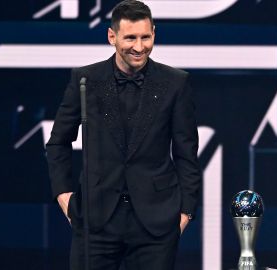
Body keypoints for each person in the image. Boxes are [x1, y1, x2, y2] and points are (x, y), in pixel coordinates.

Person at [45, 1, 202, 269]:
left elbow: (187, 152)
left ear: (154, 33)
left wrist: (186, 211)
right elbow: (58, 141)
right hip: (96, 218)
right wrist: (64, 195)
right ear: (112, 37)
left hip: (156, 221)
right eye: (130, 37)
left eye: (145, 37)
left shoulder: (175, 83)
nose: (139, 47)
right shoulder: (85, 81)